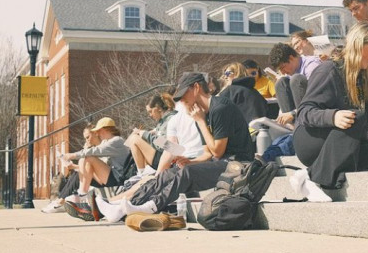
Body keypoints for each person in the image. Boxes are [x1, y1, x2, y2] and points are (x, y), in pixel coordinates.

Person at [95, 72, 255, 222]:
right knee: (168, 174)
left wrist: (199, 122)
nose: (181, 101)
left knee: (186, 172)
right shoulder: (200, 114)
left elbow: (218, 151)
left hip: (238, 165)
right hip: (219, 163)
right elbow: (207, 154)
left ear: (197, 88)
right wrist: (190, 162)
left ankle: (151, 206)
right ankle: (121, 207)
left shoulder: (219, 109)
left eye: (184, 95)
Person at [291, 23, 368, 201]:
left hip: (344, 141)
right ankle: (312, 178)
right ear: (358, 45)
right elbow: (305, 112)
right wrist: (333, 116)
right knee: (356, 117)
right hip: (311, 139)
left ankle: (320, 174)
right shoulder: (329, 70)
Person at [62, 117, 131, 221]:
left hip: (119, 177)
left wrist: (73, 155)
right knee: (83, 160)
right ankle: (82, 196)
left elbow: (95, 151)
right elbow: (92, 161)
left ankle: (82, 196)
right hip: (111, 176)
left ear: (105, 129)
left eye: (98, 131)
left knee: (88, 158)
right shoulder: (107, 141)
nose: (98, 134)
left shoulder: (117, 141)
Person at [268, 43, 322, 126]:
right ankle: (292, 125)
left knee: (296, 79)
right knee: (281, 82)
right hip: (298, 113)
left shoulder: (311, 65)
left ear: (291, 58)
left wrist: (293, 113)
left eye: (283, 67)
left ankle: (302, 123)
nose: (282, 72)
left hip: (315, 109)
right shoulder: (291, 72)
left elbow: (317, 95)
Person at [125, 93, 177, 178]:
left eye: (150, 111)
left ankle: (142, 174)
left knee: (134, 139)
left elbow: (166, 145)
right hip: (168, 155)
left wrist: (145, 134)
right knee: (134, 137)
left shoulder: (170, 119)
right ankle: (143, 172)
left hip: (170, 156)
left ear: (158, 109)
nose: (150, 115)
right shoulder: (162, 121)